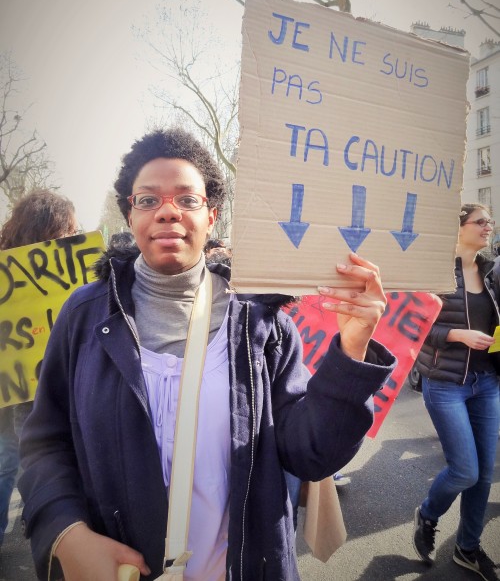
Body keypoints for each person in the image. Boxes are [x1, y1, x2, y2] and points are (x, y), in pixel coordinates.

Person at [19, 127, 396, 581]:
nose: (167, 212)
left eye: (187, 199)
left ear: (212, 214)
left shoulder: (263, 322)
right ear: (129, 214)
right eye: (148, 200)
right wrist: (67, 534)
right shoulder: (82, 316)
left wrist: (351, 352)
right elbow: (45, 443)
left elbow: (309, 454)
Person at [413, 203, 500, 580]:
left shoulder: (492, 273)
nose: (488, 227)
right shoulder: (432, 272)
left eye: (490, 222)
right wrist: (455, 334)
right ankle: (428, 514)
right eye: (480, 222)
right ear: (459, 227)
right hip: (445, 383)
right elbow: (411, 329)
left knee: (483, 475)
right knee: (464, 470)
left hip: (488, 383)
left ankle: (467, 547)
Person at [0, 190, 79, 551]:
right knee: (38, 472)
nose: (75, 237)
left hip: (26, 400)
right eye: (70, 231)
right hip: (20, 400)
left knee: (14, 471)